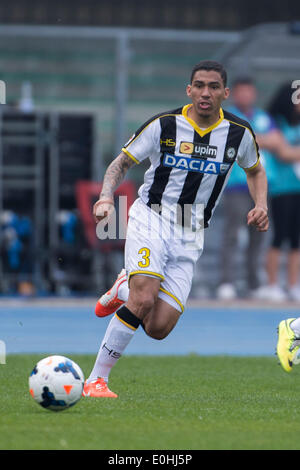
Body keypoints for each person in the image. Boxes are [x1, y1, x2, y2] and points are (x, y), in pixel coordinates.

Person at [83, 60, 269, 398]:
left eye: (214, 87)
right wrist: (106, 197)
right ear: (189, 90)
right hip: (151, 218)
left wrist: (261, 205)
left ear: (225, 93)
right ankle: (96, 380)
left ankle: (123, 287)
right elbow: (121, 162)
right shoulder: (163, 125)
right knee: (144, 298)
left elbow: (255, 170)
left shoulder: (239, 133)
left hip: (190, 232)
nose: (205, 93)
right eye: (199, 85)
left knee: (158, 327)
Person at [216, 77, 276, 300]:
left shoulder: (263, 118)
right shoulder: (226, 117)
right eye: (241, 92)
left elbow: (277, 141)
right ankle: (226, 282)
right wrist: (261, 140)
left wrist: (251, 139)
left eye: (249, 92)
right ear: (232, 94)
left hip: (260, 186)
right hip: (235, 185)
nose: (245, 96)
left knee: (258, 234)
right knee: (231, 234)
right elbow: (230, 141)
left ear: (254, 94)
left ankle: (254, 283)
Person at [256, 83, 300, 302]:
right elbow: (283, 153)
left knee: (296, 239)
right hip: (282, 188)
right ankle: (272, 283)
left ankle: (293, 284)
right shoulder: (278, 124)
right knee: (279, 236)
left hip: (298, 188)